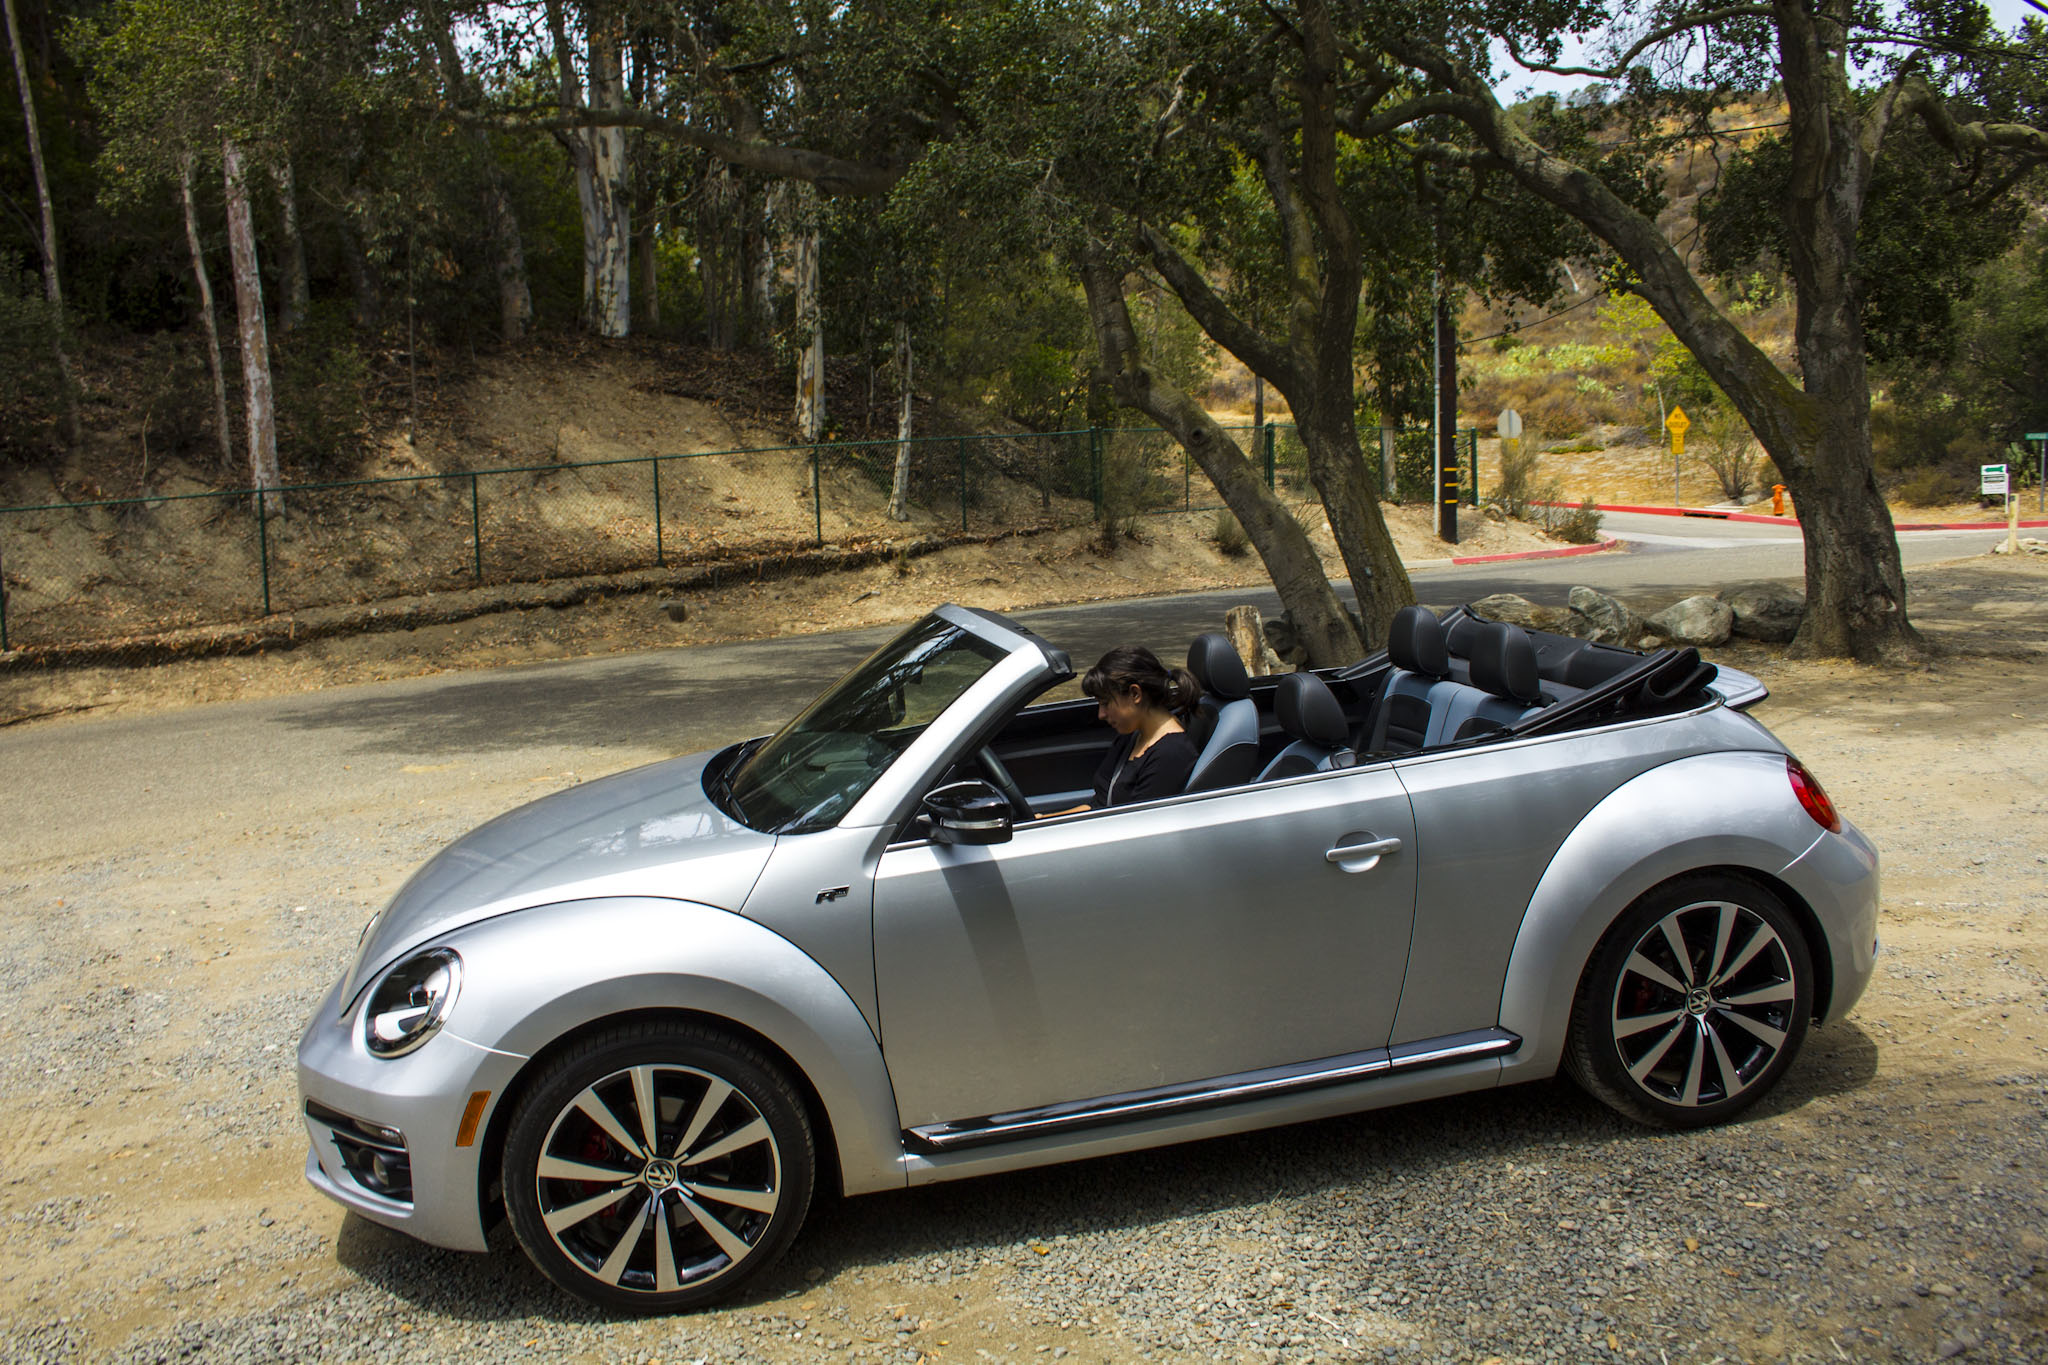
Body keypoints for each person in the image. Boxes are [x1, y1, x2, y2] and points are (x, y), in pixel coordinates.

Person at [1048, 645, 1201, 814]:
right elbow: (1100, 804)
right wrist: (1043, 819)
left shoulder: (1171, 754)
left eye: (1105, 703)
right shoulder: (1132, 736)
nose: (1101, 714)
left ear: (1135, 694)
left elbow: (1139, 822)